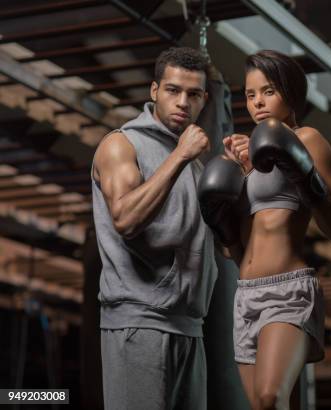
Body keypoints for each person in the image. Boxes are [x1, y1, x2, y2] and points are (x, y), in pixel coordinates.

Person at [198, 50, 331, 410]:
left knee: (270, 399)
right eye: (250, 94)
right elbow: (236, 252)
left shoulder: (308, 140)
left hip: (288, 291)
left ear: (291, 92)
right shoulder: (248, 156)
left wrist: (307, 179)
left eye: (268, 91)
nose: (258, 102)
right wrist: (224, 226)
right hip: (246, 293)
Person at [91, 47, 217, 410]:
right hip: (139, 321)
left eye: (193, 94)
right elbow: (126, 219)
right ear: (154, 91)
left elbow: (220, 248)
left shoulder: (195, 164)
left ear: (205, 99)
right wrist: (179, 156)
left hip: (190, 326)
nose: (183, 102)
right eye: (173, 90)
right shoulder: (122, 144)